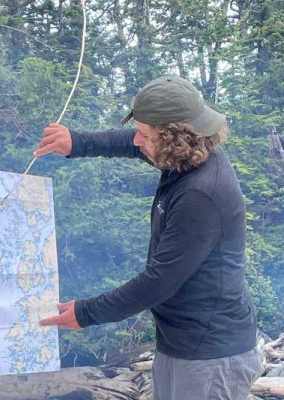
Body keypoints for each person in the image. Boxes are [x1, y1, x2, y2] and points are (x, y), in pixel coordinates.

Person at [38, 76, 263, 399]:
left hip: (210, 356)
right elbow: (127, 142)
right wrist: (78, 142)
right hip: (182, 344)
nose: (137, 141)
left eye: (145, 134)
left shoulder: (202, 193)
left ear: (175, 137)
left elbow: (159, 282)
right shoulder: (184, 156)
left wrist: (85, 313)